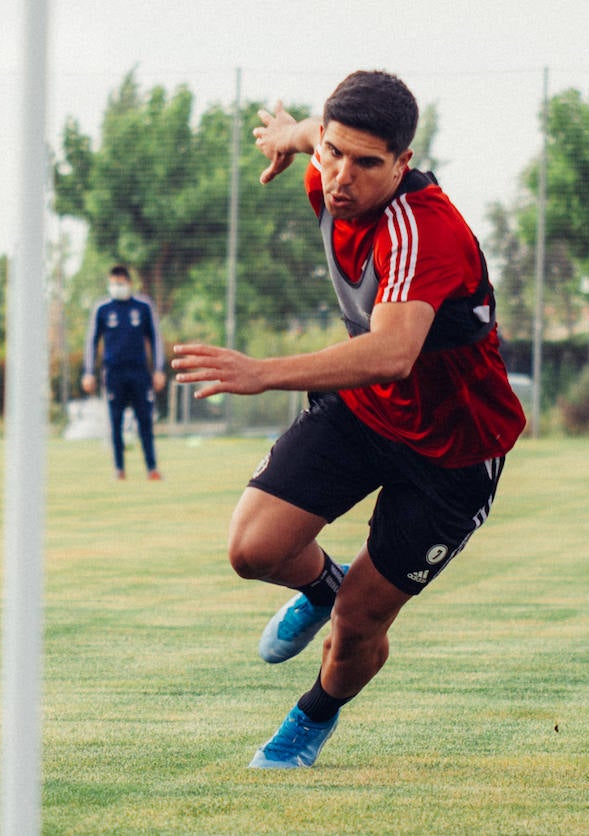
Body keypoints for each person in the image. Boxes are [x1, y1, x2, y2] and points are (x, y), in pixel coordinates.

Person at [171, 70, 526, 768]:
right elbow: (313, 131)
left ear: (402, 163)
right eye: (334, 153)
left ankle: (311, 718)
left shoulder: (423, 232)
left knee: (357, 625)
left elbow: (392, 354)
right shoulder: (330, 164)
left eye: (366, 163)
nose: (341, 175)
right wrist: (289, 136)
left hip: (453, 452)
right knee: (252, 550)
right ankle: (321, 585)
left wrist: (262, 373)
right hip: (365, 415)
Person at [82, 265, 166, 480]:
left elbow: (156, 339)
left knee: (145, 421)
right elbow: (92, 341)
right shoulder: (103, 309)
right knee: (115, 422)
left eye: (120, 283)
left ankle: (152, 468)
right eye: (113, 283)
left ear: (129, 283)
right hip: (113, 373)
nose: (116, 287)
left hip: (139, 372)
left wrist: (158, 369)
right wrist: (89, 372)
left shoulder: (143, 307)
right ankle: (119, 469)